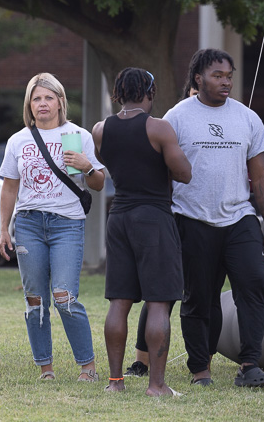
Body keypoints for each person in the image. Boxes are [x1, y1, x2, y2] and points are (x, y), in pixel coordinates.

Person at [163, 48, 264, 388]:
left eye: (229, 75)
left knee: (253, 286)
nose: (226, 81)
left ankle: (249, 366)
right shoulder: (177, 117)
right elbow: (164, 174)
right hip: (191, 218)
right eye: (218, 75)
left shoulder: (247, 118)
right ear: (198, 77)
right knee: (199, 297)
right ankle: (200, 369)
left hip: (239, 218)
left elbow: (260, 178)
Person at [0, 73, 105, 382]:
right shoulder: (18, 140)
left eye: (48, 97)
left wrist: (87, 166)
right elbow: (8, 188)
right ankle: (46, 368)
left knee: (64, 297)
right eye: (36, 98)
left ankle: (88, 367)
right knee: (35, 300)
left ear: (60, 101)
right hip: (29, 223)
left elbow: (97, 183)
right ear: (29, 106)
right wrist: (4, 228)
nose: (42, 103)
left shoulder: (78, 135)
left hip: (67, 224)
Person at [92, 68, 192, 396]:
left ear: (118, 93)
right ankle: (157, 385)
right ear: (149, 92)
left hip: (118, 216)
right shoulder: (159, 127)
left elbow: (107, 160)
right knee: (159, 302)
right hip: (154, 217)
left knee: (119, 303)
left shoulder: (101, 129)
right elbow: (184, 173)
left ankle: (115, 382)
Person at [124, 81, 204, 379]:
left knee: (200, 290)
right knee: (160, 294)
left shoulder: (226, 118)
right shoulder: (172, 119)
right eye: (195, 96)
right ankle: (141, 362)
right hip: (175, 211)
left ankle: (201, 362)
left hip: (211, 216)